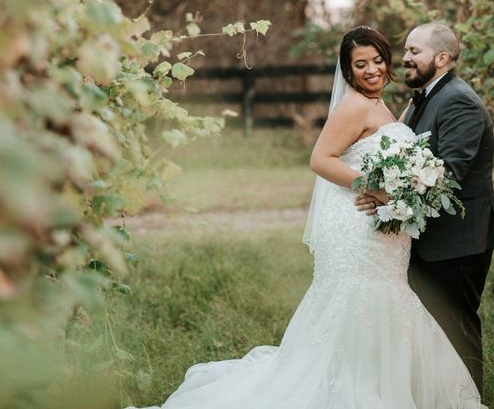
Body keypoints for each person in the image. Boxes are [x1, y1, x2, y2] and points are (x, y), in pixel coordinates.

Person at [127, 26, 484, 409]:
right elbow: (320, 159)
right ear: (347, 70)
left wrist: (398, 191)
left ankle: (380, 384)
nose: (372, 69)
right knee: (364, 300)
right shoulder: (354, 105)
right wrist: (375, 189)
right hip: (361, 229)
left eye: (378, 60)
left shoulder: (385, 103)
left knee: (382, 302)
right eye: (360, 64)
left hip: (385, 228)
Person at [357, 23, 494, 393]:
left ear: (442, 58)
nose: (404, 58)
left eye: (414, 52)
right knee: (433, 331)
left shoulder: (458, 101)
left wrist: (386, 197)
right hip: (430, 239)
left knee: (456, 329)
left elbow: (448, 173)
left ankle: (471, 400)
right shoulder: (427, 98)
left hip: (457, 243)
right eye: (405, 51)